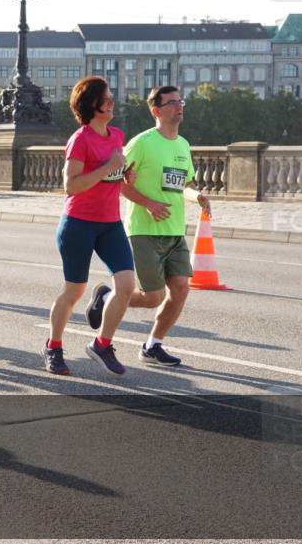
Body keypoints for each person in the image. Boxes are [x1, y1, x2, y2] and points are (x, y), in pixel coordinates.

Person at [94, 86, 209, 366]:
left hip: (174, 231)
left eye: (180, 101)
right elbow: (117, 182)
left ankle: (152, 345)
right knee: (153, 297)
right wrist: (148, 203)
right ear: (156, 110)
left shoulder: (182, 144)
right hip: (143, 231)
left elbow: (181, 185)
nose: (178, 106)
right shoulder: (142, 143)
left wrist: (197, 197)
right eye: (171, 103)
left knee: (181, 289)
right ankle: (109, 296)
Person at [44, 76, 136, 377]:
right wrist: (109, 167)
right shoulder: (80, 139)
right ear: (91, 105)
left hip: (110, 224)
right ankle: (53, 346)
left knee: (126, 286)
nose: (112, 101)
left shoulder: (117, 135)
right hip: (78, 223)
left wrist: (124, 176)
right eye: (106, 98)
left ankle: (102, 344)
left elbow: (113, 178)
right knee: (73, 292)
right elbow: (71, 186)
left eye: (111, 96)